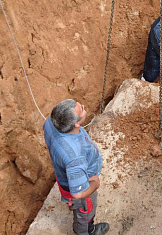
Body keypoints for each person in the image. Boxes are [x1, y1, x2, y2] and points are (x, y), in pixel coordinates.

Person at [43, 99, 109, 235]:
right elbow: (78, 194)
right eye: (82, 109)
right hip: (82, 182)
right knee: (85, 212)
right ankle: (86, 231)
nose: (84, 107)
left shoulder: (50, 123)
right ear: (76, 124)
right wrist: (94, 184)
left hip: (64, 176)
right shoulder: (75, 159)